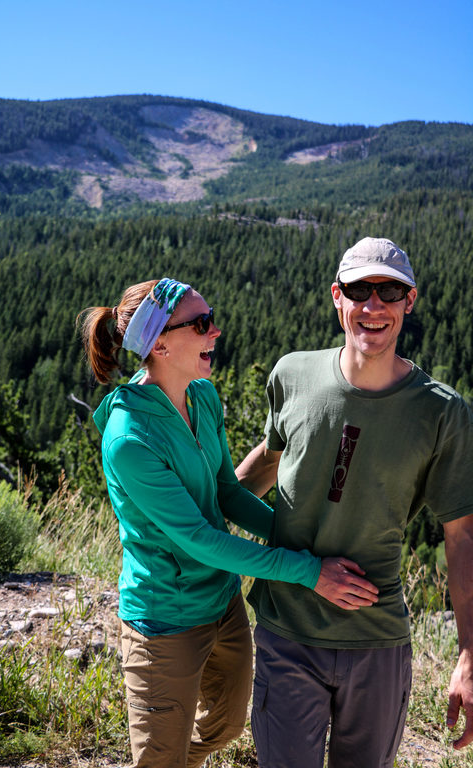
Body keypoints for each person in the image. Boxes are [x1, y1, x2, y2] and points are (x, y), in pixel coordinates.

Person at [79, 277, 373, 768]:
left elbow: (227, 491)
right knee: (159, 758)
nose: (215, 332)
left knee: (228, 725)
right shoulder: (130, 438)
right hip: (165, 620)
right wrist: (306, 569)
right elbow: (200, 540)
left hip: (221, 602)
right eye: (201, 323)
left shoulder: (202, 396)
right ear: (160, 343)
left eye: (210, 317)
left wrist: (298, 535)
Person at [236, 237, 473, 768]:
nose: (374, 306)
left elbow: (463, 535)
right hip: (285, 630)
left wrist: (469, 655)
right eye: (359, 290)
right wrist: (194, 516)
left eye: (390, 291)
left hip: (377, 642)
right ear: (336, 298)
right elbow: (272, 458)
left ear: (409, 302)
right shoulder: (291, 375)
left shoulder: (441, 413)